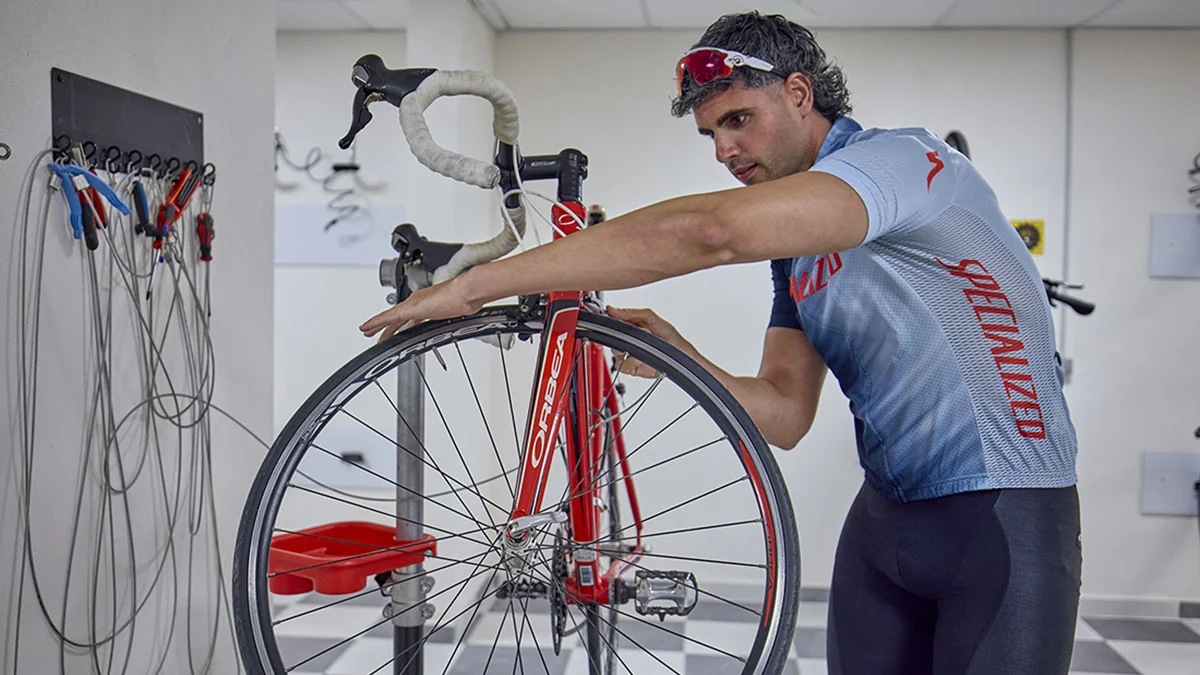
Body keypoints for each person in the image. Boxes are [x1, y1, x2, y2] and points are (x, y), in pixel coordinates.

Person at [360, 11, 1082, 675]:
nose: (724, 150)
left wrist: (472, 285)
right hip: (885, 527)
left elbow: (713, 230)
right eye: (710, 133)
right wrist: (685, 358)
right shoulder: (798, 253)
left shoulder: (907, 163)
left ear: (799, 94)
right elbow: (785, 413)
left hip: (1001, 520)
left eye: (738, 119)